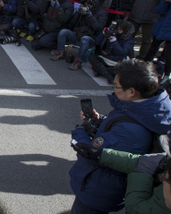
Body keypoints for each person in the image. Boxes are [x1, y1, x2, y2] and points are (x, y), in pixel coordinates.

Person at [69, 59, 171, 213]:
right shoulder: (145, 108)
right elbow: (120, 125)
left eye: (116, 86)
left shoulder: (130, 130)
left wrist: (80, 131)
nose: (114, 89)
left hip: (99, 189)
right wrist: (99, 120)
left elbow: (91, 153)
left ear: (131, 91)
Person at [144, 0, 171, 84]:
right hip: (162, 28)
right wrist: (165, 1)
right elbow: (158, 10)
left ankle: (166, 75)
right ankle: (144, 68)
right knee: (152, 49)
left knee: (168, 55)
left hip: (167, 29)